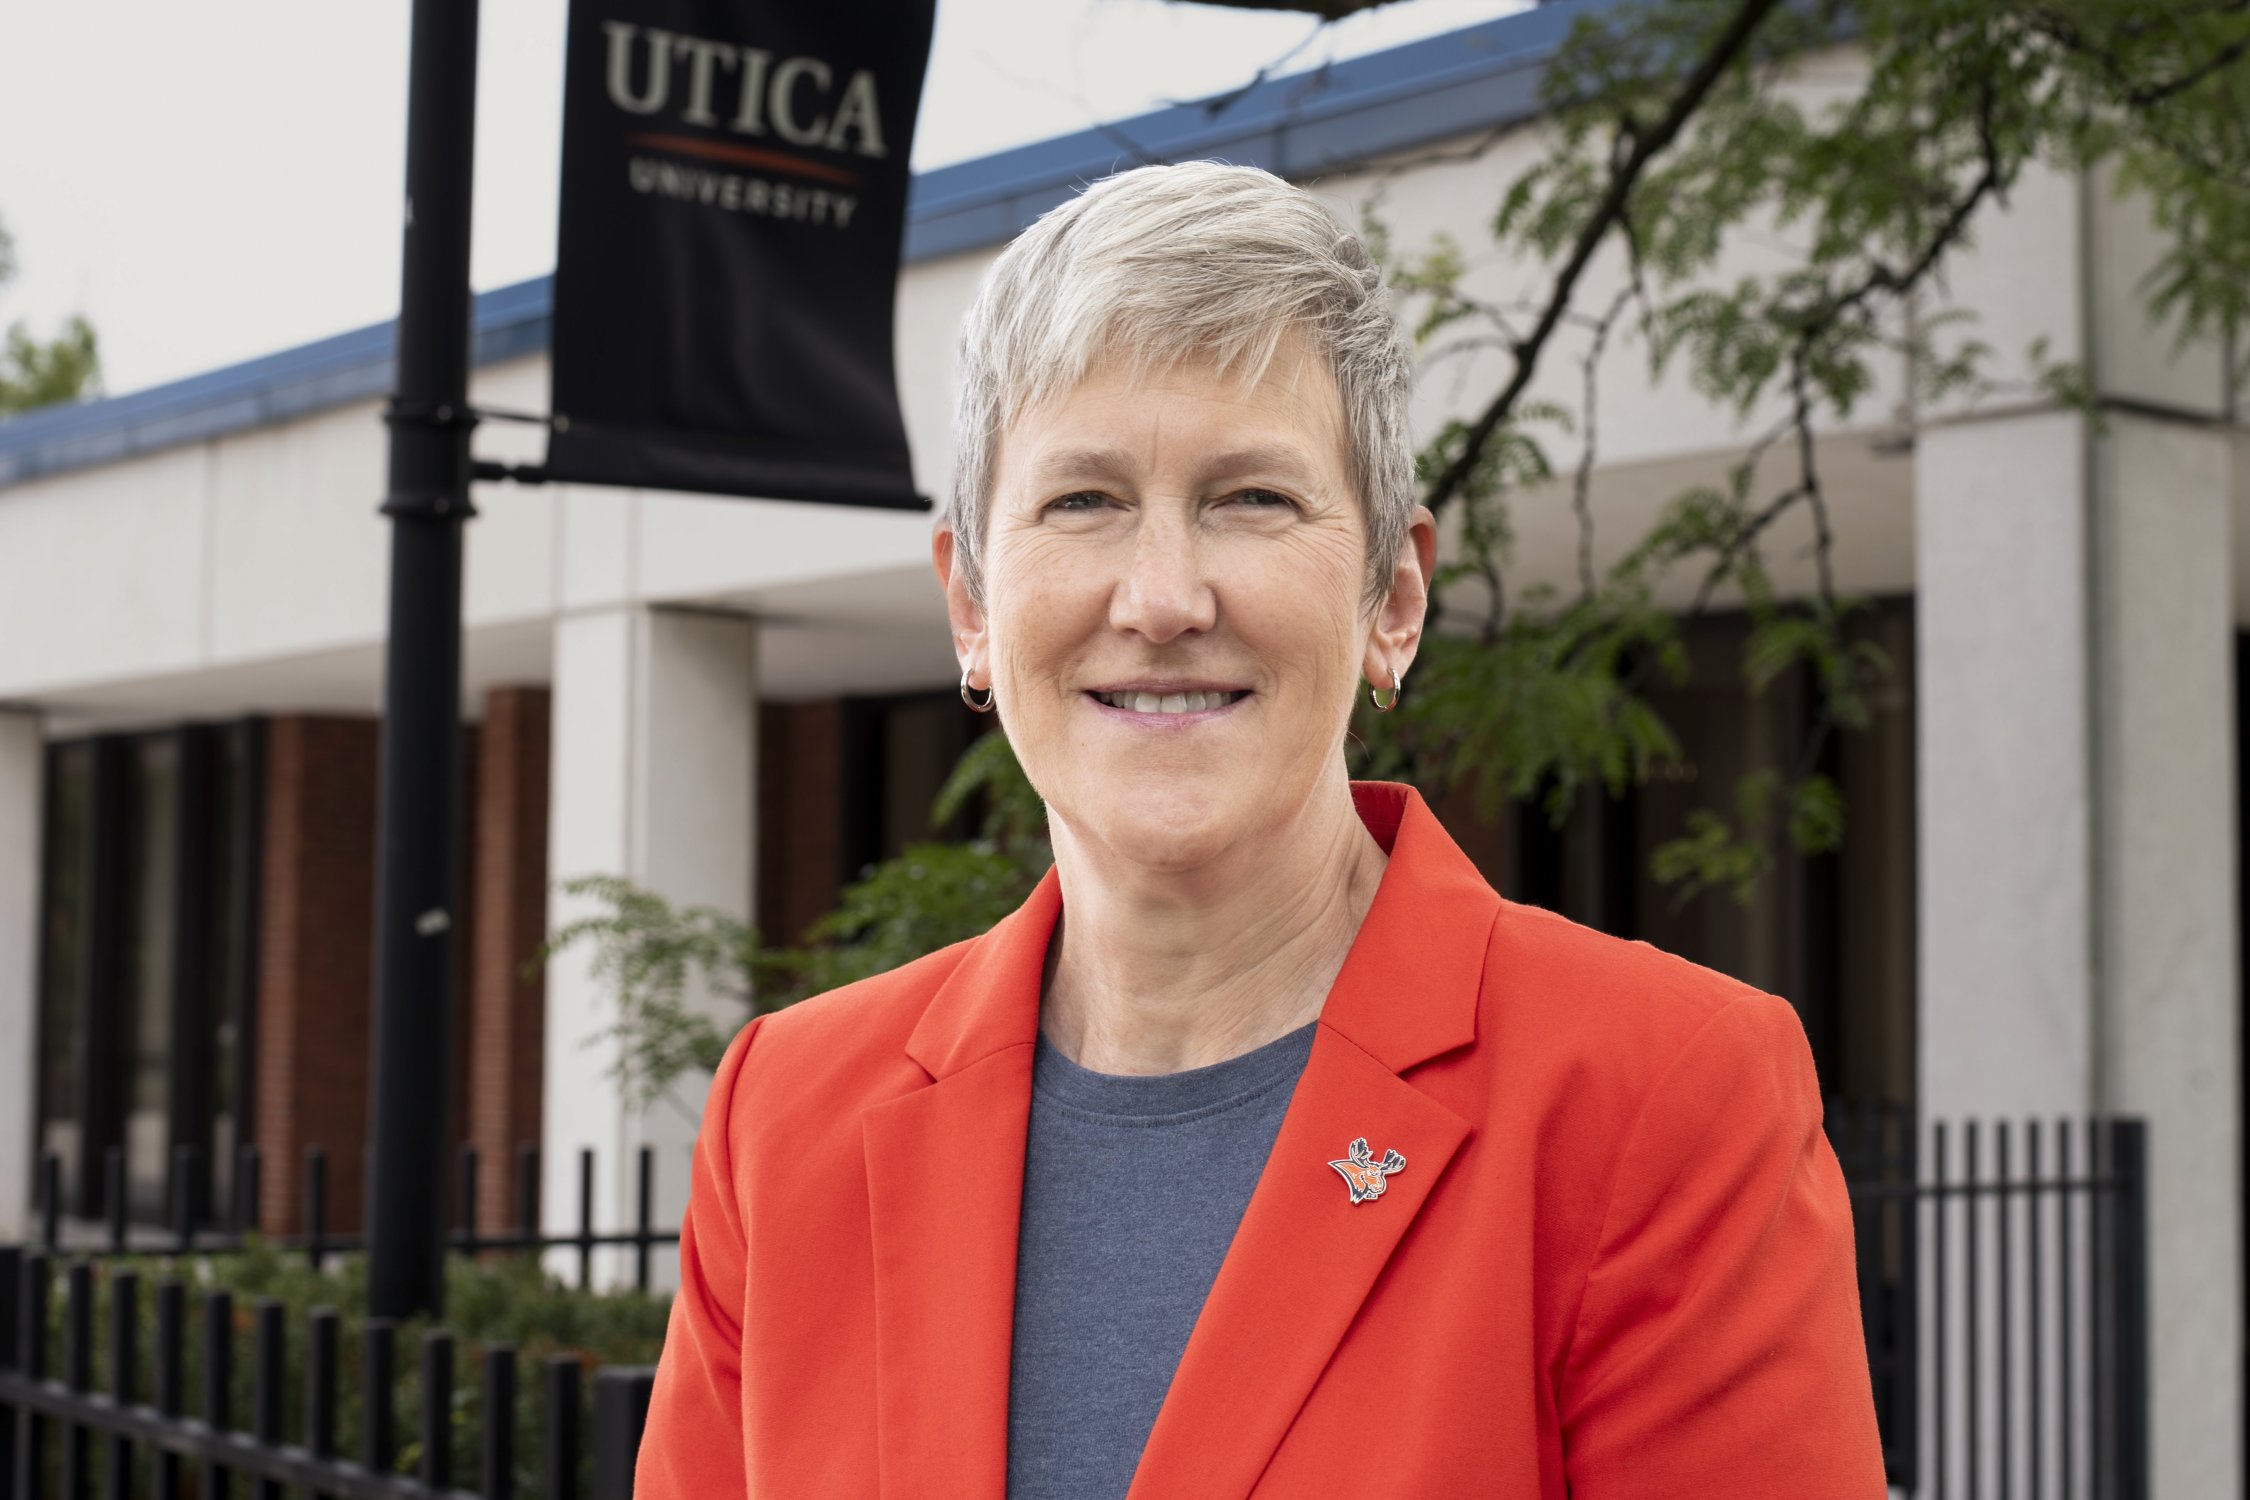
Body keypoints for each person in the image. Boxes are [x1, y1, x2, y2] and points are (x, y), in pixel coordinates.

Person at [635, 161, 1887, 1499]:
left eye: (1252, 498)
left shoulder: (1656, 1096)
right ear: (971, 610)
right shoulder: (790, 1113)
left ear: (1392, 598)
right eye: (1082, 501)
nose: (1162, 598)